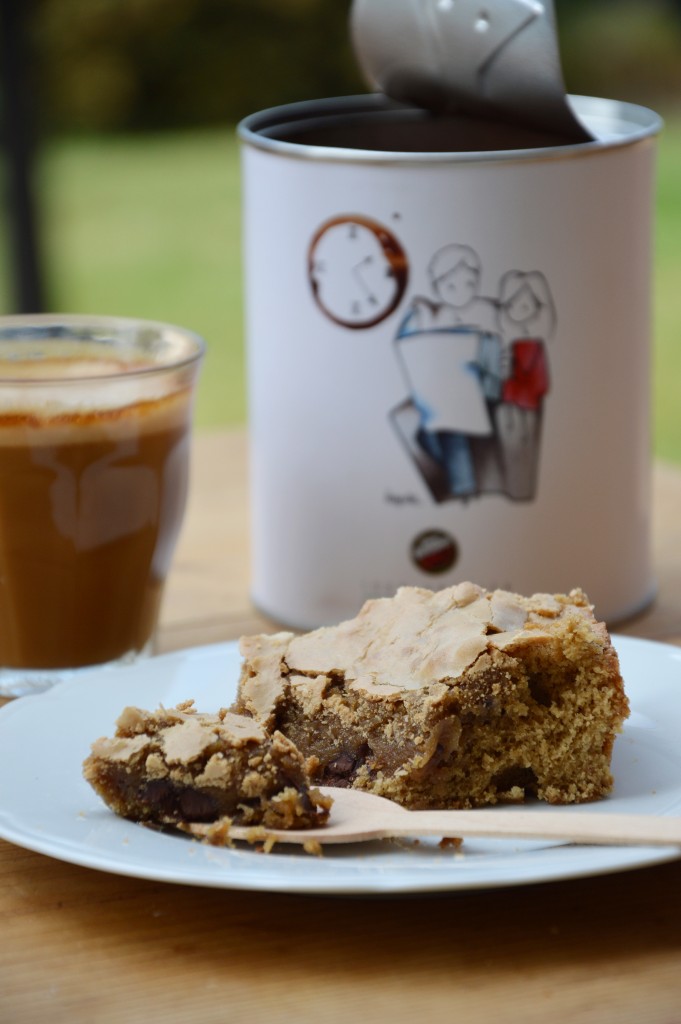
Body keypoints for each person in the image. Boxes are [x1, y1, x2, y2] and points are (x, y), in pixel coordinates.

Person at [395, 244, 502, 498]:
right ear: (438, 288)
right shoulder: (438, 314)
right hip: (445, 394)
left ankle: (464, 487)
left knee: (451, 429)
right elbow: (413, 347)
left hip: (479, 390)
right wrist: (418, 313)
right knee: (427, 433)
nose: (460, 293)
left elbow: (496, 352)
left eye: (468, 284)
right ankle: (459, 479)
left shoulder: (484, 311)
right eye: (450, 287)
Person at [494, 270, 555, 500]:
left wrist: (514, 389)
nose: (519, 310)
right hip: (510, 402)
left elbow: (541, 383)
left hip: (526, 404)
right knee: (509, 444)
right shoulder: (508, 345)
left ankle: (521, 492)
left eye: (527, 304)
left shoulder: (534, 346)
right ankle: (515, 489)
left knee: (525, 446)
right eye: (513, 305)